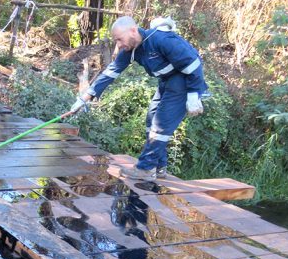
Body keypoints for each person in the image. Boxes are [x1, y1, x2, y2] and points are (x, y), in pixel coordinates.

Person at [70, 16, 208, 181]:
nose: (119, 45)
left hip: (184, 82)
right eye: (116, 41)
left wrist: (193, 94)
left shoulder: (161, 39)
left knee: (160, 124)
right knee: (151, 119)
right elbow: (110, 72)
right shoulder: (132, 50)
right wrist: (83, 98)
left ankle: (145, 168)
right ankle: (159, 166)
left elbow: (193, 63)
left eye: (120, 39)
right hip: (167, 82)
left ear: (133, 30)